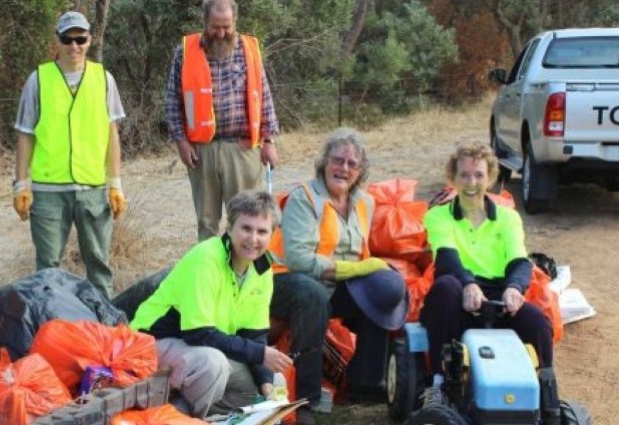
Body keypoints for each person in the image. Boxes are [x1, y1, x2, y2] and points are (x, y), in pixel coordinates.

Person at [267, 128, 408, 424]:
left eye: (351, 163)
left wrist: (373, 270)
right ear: (324, 162)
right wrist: (355, 269)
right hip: (286, 281)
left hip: (334, 285)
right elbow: (298, 259)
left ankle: (366, 383)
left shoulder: (365, 203)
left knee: (386, 286)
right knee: (312, 294)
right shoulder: (304, 198)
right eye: (337, 160)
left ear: (360, 171)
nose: (343, 168)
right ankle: (306, 399)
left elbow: (359, 253)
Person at [129, 191, 293, 418]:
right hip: (151, 343)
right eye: (246, 228)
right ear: (230, 227)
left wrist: (266, 385)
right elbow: (198, 333)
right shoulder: (206, 258)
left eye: (262, 231)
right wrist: (258, 353)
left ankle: (188, 413)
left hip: (201, 348)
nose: (253, 239)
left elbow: (254, 335)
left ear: (272, 235)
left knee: (276, 381)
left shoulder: (261, 269)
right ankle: (182, 418)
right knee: (213, 365)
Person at [419, 143, 554, 404]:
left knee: (537, 322)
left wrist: (514, 287)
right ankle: (438, 383)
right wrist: (468, 284)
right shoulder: (438, 216)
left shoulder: (508, 218)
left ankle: (547, 397)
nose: (472, 183)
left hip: (499, 298)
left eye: (479, 175)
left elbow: (520, 262)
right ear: (453, 178)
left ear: (490, 178)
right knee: (445, 287)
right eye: (464, 175)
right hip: (458, 299)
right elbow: (446, 258)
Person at [12, 11, 126, 299]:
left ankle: (103, 321)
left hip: (92, 189)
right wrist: (21, 184)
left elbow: (112, 134)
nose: (74, 46)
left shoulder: (104, 79)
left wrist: (115, 183)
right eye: (67, 39)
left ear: (89, 40)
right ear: (57, 41)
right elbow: (25, 134)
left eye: (80, 39)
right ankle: (49, 320)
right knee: (47, 269)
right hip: (48, 191)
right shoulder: (38, 80)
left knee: (99, 266)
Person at [165, 0, 280, 242]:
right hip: (201, 152)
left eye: (226, 27)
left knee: (245, 221)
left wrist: (269, 140)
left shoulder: (249, 49)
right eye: (214, 27)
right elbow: (173, 100)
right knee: (206, 222)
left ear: (235, 21)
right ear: (204, 22)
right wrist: (180, 141)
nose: (220, 33)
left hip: (242, 149)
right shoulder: (185, 51)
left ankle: (242, 266)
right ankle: (210, 266)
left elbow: (264, 95)